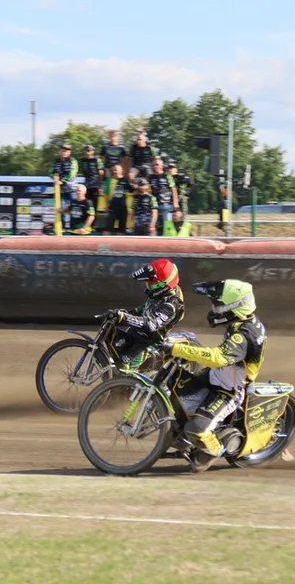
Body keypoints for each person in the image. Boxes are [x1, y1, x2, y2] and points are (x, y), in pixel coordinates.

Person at [163, 279, 267, 472]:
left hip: (228, 390)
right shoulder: (243, 321)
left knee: (196, 428)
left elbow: (217, 358)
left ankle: (213, 450)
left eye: (218, 305)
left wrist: (177, 349)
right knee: (175, 386)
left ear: (235, 306)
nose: (214, 308)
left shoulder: (244, 335)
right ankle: (182, 435)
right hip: (215, 375)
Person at [108, 258, 185, 370]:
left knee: (122, 367)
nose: (148, 287)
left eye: (152, 285)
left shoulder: (171, 305)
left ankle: (128, 383)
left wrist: (125, 318)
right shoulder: (163, 293)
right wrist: (129, 313)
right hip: (140, 330)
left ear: (164, 286)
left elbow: (151, 325)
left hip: (149, 340)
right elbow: (146, 307)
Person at [51, 142, 79, 230]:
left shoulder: (73, 161)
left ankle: (74, 227)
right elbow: (50, 171)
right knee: (61, 209)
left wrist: (61, 181)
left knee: (74, 208)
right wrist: (54, 177)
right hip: (60, 190)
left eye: (67, 150)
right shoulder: (56, 161)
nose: (64, 152)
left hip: (71, 189)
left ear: (69, 152)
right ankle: (62, 228)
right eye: (63, 150)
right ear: (60, 151)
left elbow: (72, 175)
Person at [148, 157, 177, 234]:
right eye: (154, 165)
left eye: (157, 164)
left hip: (166, 205)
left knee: (167, 228)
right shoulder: (150, 177)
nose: (155, 166)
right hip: (154, 207)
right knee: (154, 228)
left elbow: (173, 190)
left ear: (162, 166)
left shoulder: (167, 176)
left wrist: (176, 206)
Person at [102, 164, 133, 235]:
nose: (115, 171)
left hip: (123, 208)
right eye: (114, 169)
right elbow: (106, 194)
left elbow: (132, 190)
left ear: (121, 170)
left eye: (117, 169)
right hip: (112, 208)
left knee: (121, 230)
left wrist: (132, 180)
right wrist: (106, 206)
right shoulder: (108, 180)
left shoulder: (125, 180)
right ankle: (104, 245)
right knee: (107, 228)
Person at [81, 144, 102, 209]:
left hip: (95, 186)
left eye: (88, 150)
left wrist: (100, 186)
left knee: (94, 206)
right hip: (86, 186)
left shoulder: (97, 160)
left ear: (93, 151)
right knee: (86, 206)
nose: (87, 152)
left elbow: (101, 173)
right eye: (85, 150)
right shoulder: (82, 160)